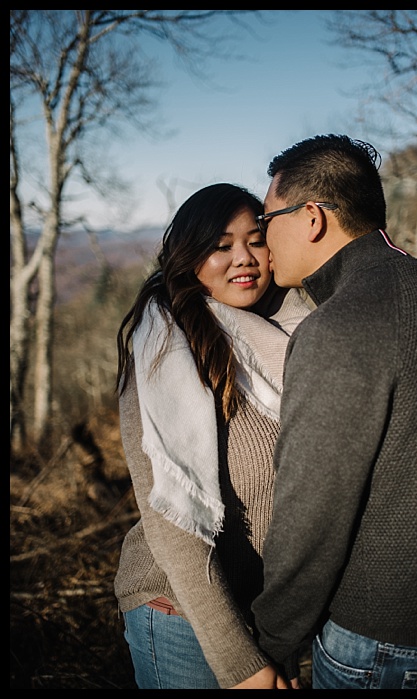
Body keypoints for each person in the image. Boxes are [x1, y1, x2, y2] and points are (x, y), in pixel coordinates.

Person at [249, 134, 417, 689]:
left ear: (312, 217)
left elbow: (312, 507)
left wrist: (271, 641)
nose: (264, 240)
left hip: (380, 647)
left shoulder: (339, 328)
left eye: (269, 218)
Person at [114, 182, 314, 689]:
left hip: (266, 610)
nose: (243, 259)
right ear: (189, 258)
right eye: (222, 246)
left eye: (255, 240)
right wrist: (239, 663)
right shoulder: (165, 352)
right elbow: (169, 523)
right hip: (181, 610)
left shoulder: (297, 329)